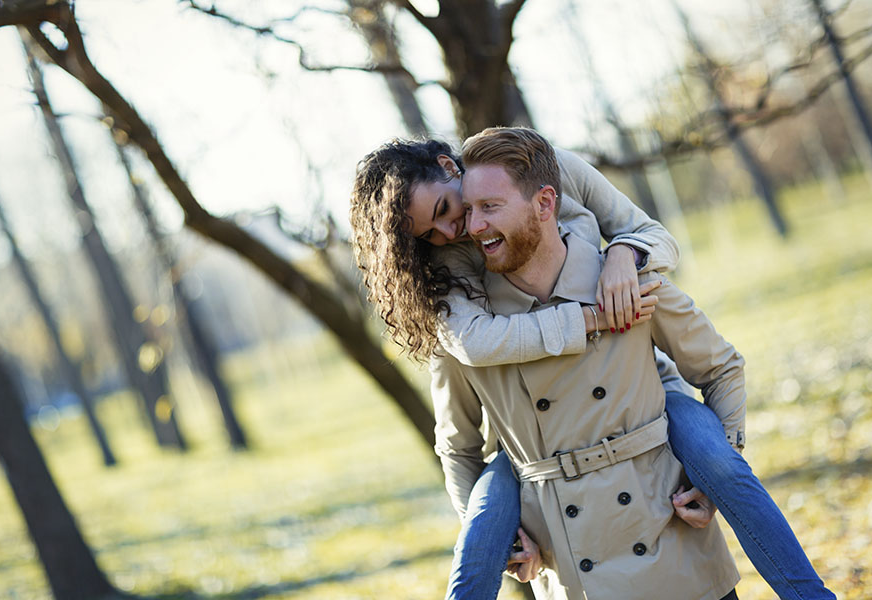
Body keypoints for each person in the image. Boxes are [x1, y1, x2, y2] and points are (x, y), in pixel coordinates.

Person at [349, 130, 835, 600]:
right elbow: (469, 376)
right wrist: (587, 321)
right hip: (545, 492)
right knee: (482, 529)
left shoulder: (575, 205)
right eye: (428, 233)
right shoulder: (452, 298)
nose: (456, 229)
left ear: (544, 203)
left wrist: (625, 256)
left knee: (721, 466)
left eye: (450, 210)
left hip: (652, 422)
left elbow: (651, 238)